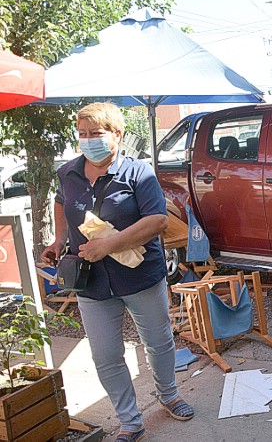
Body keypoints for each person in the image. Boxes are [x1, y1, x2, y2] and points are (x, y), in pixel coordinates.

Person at [41, 102, 194, 442]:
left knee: (157, 341)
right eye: (82, 134)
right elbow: (61, 203)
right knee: (106, 354)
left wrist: (108, 246)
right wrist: (59, 240)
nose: (87, 140)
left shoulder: (140, 172)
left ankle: (168, 394)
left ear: (117, 134)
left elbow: (157, 221)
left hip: (140, 276)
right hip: (91, 282)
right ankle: (130, 421)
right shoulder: (68, 172)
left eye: (95, 134)